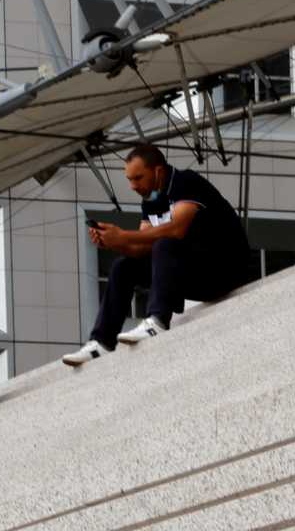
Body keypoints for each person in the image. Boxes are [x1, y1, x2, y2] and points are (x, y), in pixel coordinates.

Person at [63, 141, 254, 366]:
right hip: (195, 273)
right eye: (129, 180)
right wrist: (113, 242)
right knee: (124, 266)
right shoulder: (150, 202)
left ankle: (157, 321)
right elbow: (142, 248)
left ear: (158, 171)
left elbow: (177, 229)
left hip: (226, 270)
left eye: (138, 178)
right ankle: (101, 342)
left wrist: (123, 234)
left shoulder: (185, 182)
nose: (133, 186)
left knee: (165, 243)